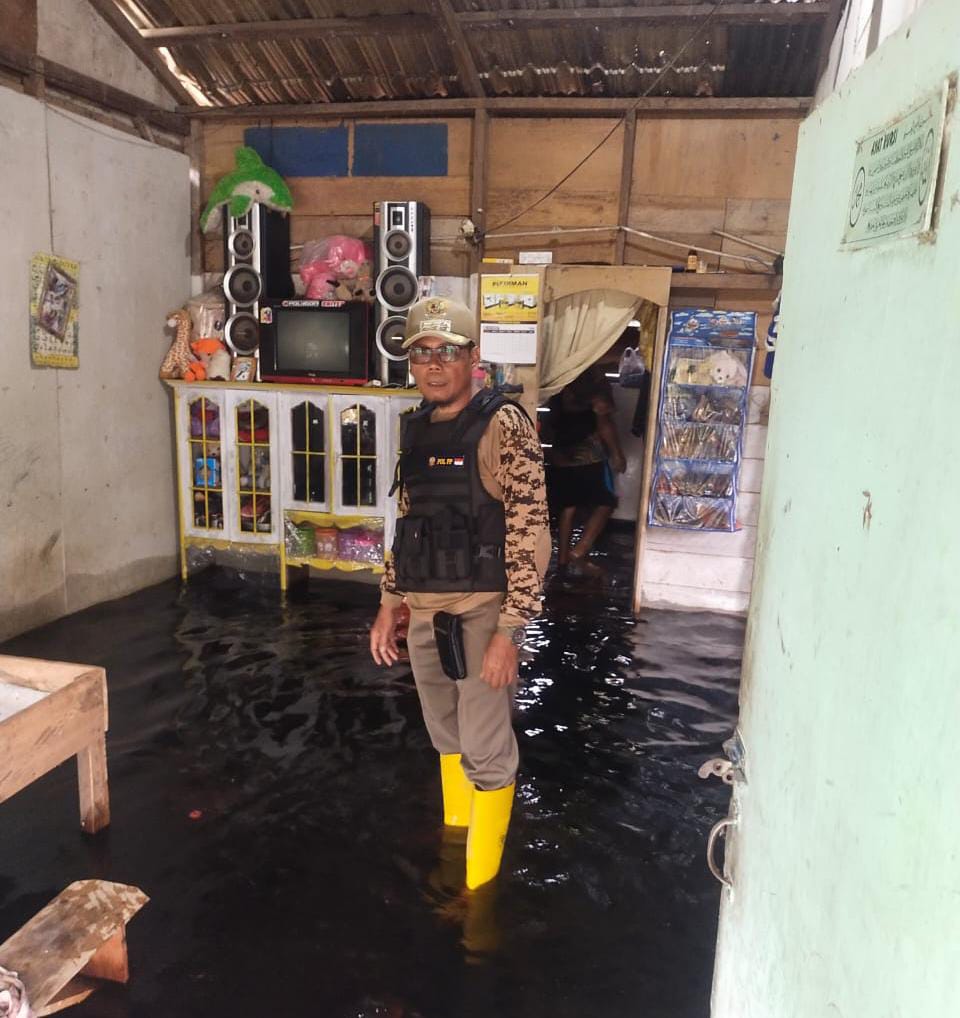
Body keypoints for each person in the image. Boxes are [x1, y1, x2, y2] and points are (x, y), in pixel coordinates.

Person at [369, 296, 550, 890]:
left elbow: (530, 529)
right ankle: (455, 848)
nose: (433, 365)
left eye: (447, 352)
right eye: (422, 353)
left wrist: (510, 631)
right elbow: (407, 516)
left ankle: (479, 901)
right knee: (444, 735)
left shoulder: (503, 425)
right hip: (423, 610)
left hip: (480, 611)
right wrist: (388, 601)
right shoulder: (418, 424)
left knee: (486, 751)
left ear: (473, 357)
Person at [546, 364, 626, 578]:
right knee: (606, 502)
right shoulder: (595, 382)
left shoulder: (560, 381)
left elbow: (550, 422)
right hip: (590, 456)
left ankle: (562, 562)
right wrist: (617, 453)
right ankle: (579, 550)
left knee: (568, 507)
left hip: (561, 454)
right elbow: (604, 423)